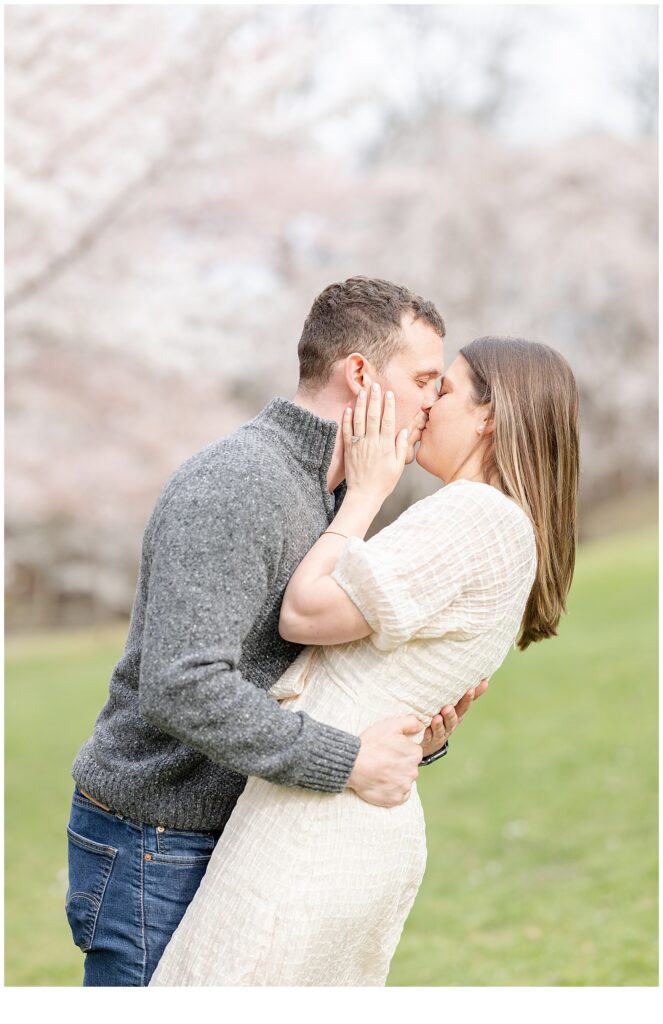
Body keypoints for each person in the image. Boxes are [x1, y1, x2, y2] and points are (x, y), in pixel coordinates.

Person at [65, 277, 486, 986]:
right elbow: (183, 684)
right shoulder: (238, 483)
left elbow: (307, 673)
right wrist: (348, 762)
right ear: (359, 374)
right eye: (421, 379)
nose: (431, 400)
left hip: (240, 837)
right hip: (155, 844)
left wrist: (411, 736)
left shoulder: (338, 494)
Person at [149, 334, 579, 986]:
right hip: (348, 816)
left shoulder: (474, 514)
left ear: (490, 415)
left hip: (315, 830)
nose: (427, 406)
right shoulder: (499, 524)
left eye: (446, 388)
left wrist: (365, 493)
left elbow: (305, 613)